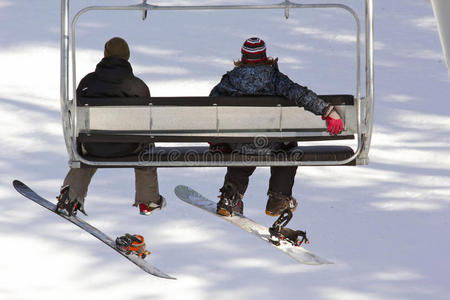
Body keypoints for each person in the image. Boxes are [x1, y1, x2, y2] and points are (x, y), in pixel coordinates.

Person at [209, 37, 343, 217]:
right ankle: (278, 199)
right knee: (288, 147)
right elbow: (300, 94)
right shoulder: (275, 79)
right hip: (271, 144)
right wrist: (327, 111)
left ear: (243, 57)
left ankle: (230, 195)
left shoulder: (229, 81)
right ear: (265, 56)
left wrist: (215, 139)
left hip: (239, 144)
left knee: (240, 146)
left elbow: (210, 108)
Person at [58, 37, 165, 216]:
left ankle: (70, 196)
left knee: (86, 150)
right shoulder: (137, 86)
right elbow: (147, 122)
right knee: (146, 147)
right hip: (129, 147)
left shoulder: (87, 83)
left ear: (105, 54)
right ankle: (149, 200)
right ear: (127, 57)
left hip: (94, 146)